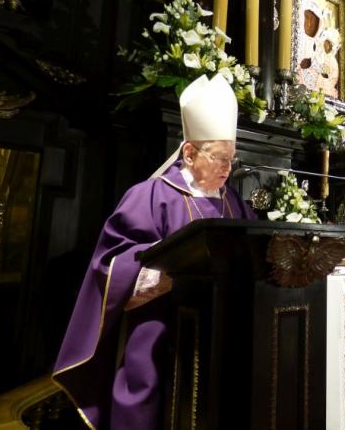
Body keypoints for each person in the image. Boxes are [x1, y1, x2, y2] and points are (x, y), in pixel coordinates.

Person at [52, 74, 256, 430]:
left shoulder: (233, 201)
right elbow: (111, 263)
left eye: (231, 159)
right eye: (219, 158)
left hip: (219, 331)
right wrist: (175, 269)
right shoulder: (150, 195)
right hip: (160, 327)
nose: (227, 168)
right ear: (189, 153)